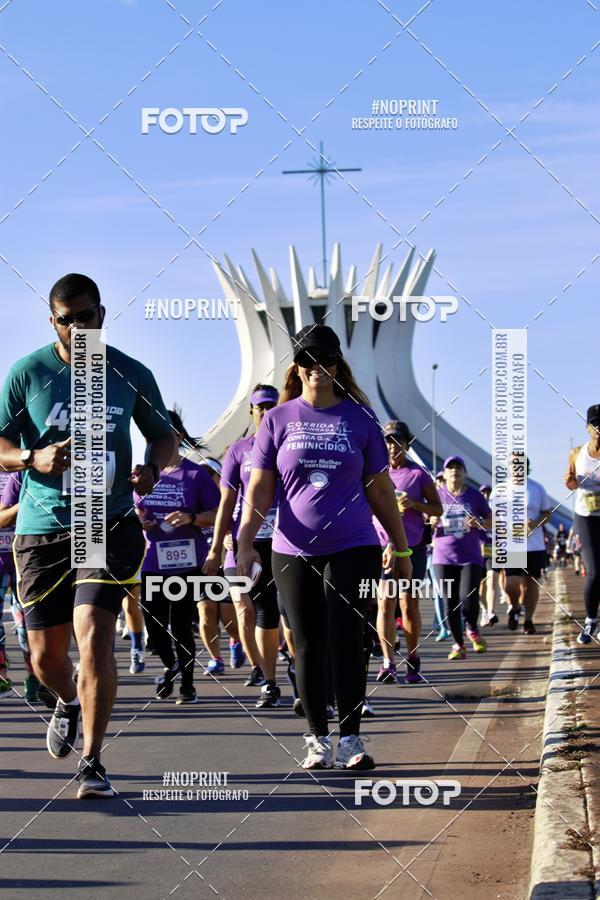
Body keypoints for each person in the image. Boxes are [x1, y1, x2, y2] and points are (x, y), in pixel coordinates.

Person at [0, 273, 175, 798]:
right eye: (66, 320)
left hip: (106, 521)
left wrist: (152, 468)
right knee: (44, 658)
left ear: (102, 313)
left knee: (95, 635)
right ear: (51, 320)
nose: (78, 329)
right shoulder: (28, 372)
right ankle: (67, 700)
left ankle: (93, 760)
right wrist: (32, 457)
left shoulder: (130, 372)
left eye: (87, 317)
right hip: (42, 527)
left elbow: (163, 437)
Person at [236, 324, 412, 770]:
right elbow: (259, 489)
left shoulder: (361, 418)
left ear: (337, 364)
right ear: (297, 367)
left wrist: (402, 548)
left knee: (348, 637)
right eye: (308, 360)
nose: (317, 368)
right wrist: (244, 542)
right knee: (308, 643)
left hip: (353, 545)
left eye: (326, 359)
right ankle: (317, 739)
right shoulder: (277, 420)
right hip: (292, 549)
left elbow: (380, 489)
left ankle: (350, 738)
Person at [204, 385, 283, 708]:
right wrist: (216, 547)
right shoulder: (238, 450)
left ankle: (286, 670)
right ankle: (265, 676)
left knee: (276, 614)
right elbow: (226, 502)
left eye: (270, 406)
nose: (265, 412)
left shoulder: (288, 446)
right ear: (251, 412)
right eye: (259, 408)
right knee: (246, 610)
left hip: (281, 542)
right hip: (243, 543)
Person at [135, 408, 220, 703]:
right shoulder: (141, 476)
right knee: (153, 624)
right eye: (152, 434)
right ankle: (170, 665)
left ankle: (187, 683)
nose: (157, 439)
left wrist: (191, 518)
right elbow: (132, 509)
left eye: (165, 433)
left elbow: (218, 515)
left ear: (179, 436)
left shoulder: (195, 474)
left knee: (182, 625)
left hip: (188, 563)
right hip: (153, 562)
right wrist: (139, 520)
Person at [373, 421, 442, 684]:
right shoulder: (374, 472)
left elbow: (437, 509)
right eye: (388, 442)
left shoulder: (418, 474)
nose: (392, 447)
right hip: (382, 546)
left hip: (412, 547)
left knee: (408, 604)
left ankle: (412, 658)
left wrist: (414, 503)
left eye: (397, 442)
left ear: (407, 444)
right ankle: (388, 662)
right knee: (385, 602)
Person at [430, 456, 492, 659]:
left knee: (468, 597)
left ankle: (472, 627)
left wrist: (479, 520)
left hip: (470, 557)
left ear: (465, 473)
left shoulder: (475, 496)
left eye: (459, 467)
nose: (454, 470)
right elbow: (424, 517)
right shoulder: (436, 494)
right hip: (443, 557)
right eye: (450, 468)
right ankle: (458, 644)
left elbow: (492, 520)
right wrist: (431, 519)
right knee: (450, 602)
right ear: (445, 474)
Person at [196, 457, 244, 674]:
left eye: (210, 475)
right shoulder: (191, 498)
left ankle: (236, 640)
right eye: (201, 475)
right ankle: (216, 658)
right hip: (202, 563)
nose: (205, 479)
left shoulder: (232, 497)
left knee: (228, 617)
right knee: (206, 610)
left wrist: (230, 536)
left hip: (227, 562)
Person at [503, 458, 552, 635]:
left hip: (534, 545)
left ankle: (528, 620)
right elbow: (492, 516)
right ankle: (515, 607)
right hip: (512, 545)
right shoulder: (501, 490)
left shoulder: (537, 488)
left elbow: (548, 513)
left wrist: (535, 523)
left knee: (531, 583)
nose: (517, 468)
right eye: (513, 464)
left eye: (521, 464)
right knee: (511, 583)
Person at [564, 405, 600, 644]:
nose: (599, 428)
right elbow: (570, 483)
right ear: (588, 427)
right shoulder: (577, 452)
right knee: (594, 570)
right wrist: (570, 481)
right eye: (595, 424)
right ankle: (591, 620)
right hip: (586, 516)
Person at [478, 485, 499, 627]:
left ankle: (491, 611)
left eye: (488, 492)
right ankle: (484, 610)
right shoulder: (476, 510)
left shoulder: (497, 511)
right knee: (481, 585)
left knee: (492, 580)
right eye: (483, 493)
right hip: (478, 551)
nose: (485, 495)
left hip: (493, 550)